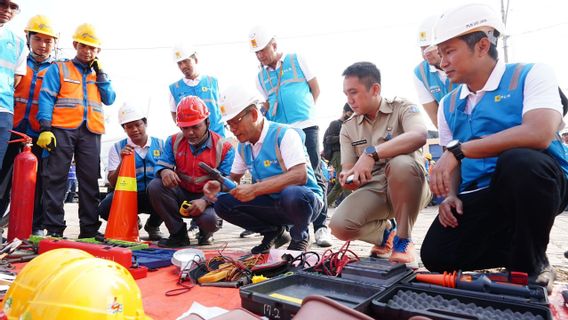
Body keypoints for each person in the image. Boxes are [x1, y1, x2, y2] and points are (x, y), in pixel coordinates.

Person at [420, 3, 568, 293]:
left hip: (539, 184)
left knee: (520, 162)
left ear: (482, 46)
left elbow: (539, 132)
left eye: (449, 51)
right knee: (437, 255)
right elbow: (455, 164)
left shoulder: (531, 74)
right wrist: (451, 195)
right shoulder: (449, 104)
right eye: (440, 54)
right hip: (484, 192)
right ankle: (517, 247)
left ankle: (530, 266)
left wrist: (461, 150)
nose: (441, 62)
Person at [329, 62, 431, 268]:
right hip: (375, 189)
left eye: (354, 92)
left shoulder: (402, 107)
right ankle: (386, 236)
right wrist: (348, 177)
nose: (349, 100)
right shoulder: (348, 128)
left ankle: (403, 240)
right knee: (339, 226)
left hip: (411, 185)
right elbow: (347, 166)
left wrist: (372, 154)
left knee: (401, 164)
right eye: (346, 94)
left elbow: (419, 135)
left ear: (375, 89)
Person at [204, 85, 324, 253]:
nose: (232, 129)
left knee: (292, 194)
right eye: (228, 125)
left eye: (235, 123)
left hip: (305, 201)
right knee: (223, 203)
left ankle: (300, 236)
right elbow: (234, 179)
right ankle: (273, 233)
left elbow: (299, 175)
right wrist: (221, 185)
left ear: (253, 114)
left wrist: (254, 189)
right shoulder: (243, 147)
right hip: (273, 203)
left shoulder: (284, 134)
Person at [248, 25, 331, 247]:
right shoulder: (260, 77)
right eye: (257, 53)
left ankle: (321, 227)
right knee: (283, 177)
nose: (260, 56)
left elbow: (316, 88)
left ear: (274, 45)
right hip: (280, 133)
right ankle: (287, 228)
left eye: (263, 50)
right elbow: (267, 102)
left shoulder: (297, 59)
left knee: (313, 173)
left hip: (305, 125)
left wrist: (305, 113)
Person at [37, 23, 116, 238]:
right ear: (75, 45)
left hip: (90, 132)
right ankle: (54, 229)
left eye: (93, 48)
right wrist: (46, 128)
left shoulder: (99, 74)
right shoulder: (59, 68)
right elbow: (46, 97)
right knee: (56, 179)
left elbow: (110, 99)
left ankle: (89, 229)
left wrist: (101, 75)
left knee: (90, 181)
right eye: (84, 46)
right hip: (62, 129)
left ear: (98, 50)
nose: (88, 51)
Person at [148, 96, 234, 248]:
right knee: (155, 186)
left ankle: (206, 233)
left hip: (208, 198)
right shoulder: (173, 141)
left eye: (195, 126)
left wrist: (206, 201)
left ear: (207, 122)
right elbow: (161, 164)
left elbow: (227, 185)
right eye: (185, 128)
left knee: (210, 221)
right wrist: (164, 171)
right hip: (182, 193)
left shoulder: (225, 147)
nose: (190, 133)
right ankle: (178, 234)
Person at [0, 14, 55, 235]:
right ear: (28, 38)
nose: (42, 45)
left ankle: (37, 227)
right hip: (13, 129)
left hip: (40, 133)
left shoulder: (57, 69)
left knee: (39, 182)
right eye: (38, 39)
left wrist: (48, 130)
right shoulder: (18, 61)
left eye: (48, 41)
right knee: (3, 178)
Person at [97, 102, 165, 241]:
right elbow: (112, 182)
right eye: (129, 126)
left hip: (154, 195)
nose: (134, 129)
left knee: (170, 196)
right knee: (105, 207)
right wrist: (123, 161)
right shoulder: (116, 148)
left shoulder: (162, 145)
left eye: (138, 124)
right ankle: (133, 223)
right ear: (124, 129)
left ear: (145, 123)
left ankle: (153, 225)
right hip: (129, 196)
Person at [169, 44, 225, 137]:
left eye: (186, 61)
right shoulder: (174, 89)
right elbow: (175, 115)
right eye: (179, 63)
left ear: (196, 59)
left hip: (217, 136)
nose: (183, 66)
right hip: (194, 141)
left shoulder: (213, 82)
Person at [413, 15, 454, 128]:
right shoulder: (420, 73)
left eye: (429, 47)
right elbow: (434, 116)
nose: (425, 53)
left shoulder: (463, 63)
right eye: (422, 48)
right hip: (450, 130)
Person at [0, 0, 26, 171]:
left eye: (13, 7)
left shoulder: (18, 41)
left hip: (3, 111)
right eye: (3, 4)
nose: (8, 10)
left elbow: (17, 78)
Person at [323, 103, 353, 207]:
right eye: (350, 112)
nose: (352, 114)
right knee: (344, 181)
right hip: (338, 154)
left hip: (346, 154)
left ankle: (322, 208)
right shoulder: (335, 123)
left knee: (339, 185)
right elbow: (329, 139)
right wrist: (344, 136)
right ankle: (354, 207)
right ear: (345, 111)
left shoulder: (349, 124)